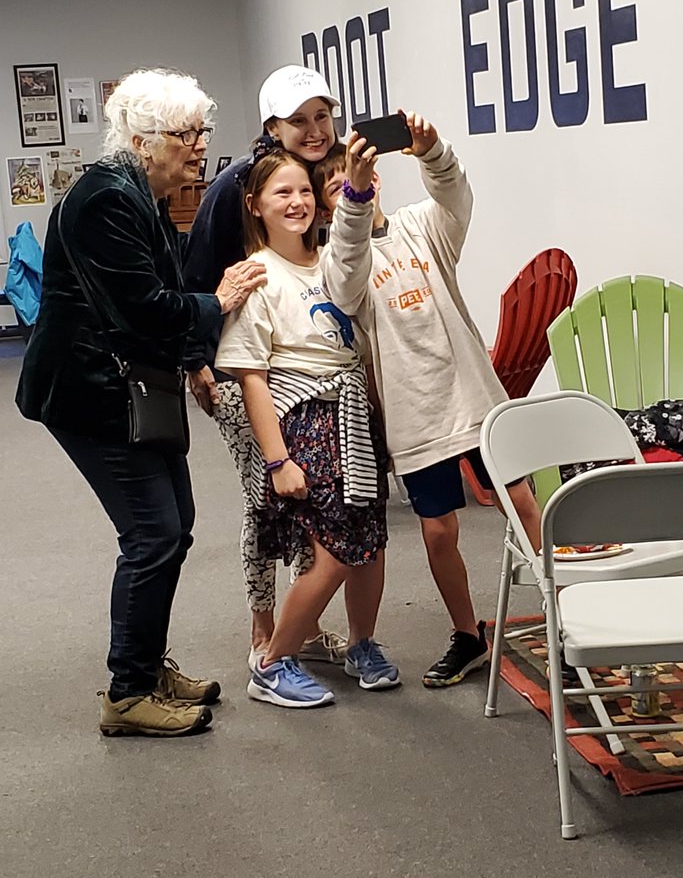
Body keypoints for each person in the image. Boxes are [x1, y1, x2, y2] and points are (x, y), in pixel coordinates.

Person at [15, 69, 266, 737]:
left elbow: (167, 274)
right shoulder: (104, 199)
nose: (198, 145)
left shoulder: (142, 194)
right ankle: (127, 693)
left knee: (174, 523)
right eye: (183, 134)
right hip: (90, 395)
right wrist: (222, 302)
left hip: (128, 386)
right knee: (152, 534)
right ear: (138, 138)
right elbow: (148, 307)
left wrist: (201, 331)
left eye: (200, 131)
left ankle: (147, 665)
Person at [318, 114, 542, 687]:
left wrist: (431, 150)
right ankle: (468, 633)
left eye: (357, 177)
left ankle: (568, 612)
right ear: (330, 206)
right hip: (417, 417)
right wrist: (355, 201)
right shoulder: (339, 261)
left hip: (473, 397)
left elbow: (457, 198)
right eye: (337, 187)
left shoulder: (422, 226)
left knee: (522, 502)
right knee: (439, 531)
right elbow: (346, 284)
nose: (352, 187)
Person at [215, 147, 399, 708]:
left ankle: (362, 643)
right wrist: (277, 459)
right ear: (255, 205)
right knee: (332, 550)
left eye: (304, 191)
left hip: (354, 415)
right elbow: (251, 378)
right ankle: (272, 664)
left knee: (370, 540)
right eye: (281, 193)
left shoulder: (333, 261)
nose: (296, 202)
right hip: (307, 421)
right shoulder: (256, 276)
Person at [184, 65, 348, 668]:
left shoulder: (324, 176)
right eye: (298, 120)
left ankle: (301, 629)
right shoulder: (239, 185)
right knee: (265, 499)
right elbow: (197, 273)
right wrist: (195, 363)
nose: (313, 130)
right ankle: (263, 632)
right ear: (272, 125)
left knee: (309, 505)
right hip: (241, 366)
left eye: (321, 117)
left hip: (306, 369)